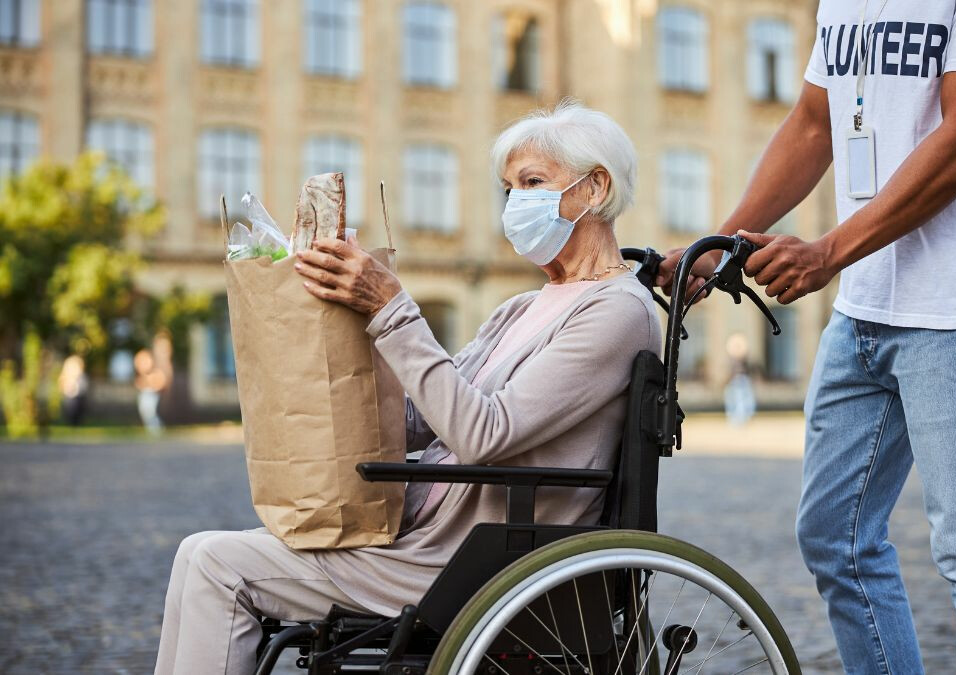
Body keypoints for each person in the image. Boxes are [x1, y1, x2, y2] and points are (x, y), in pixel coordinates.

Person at [154, 101, 660, 675]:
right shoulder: (522, 306)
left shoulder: (617, 312)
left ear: (595, 188)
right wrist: (339, 331)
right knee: (199, 551)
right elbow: (422, 418)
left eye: (533, 182)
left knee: (216, 564)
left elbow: (482, 433)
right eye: (510, 188)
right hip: (430, 538)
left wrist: (392, 309)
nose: (517, 202)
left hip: (480, 559)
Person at [658, 2, 956, 673]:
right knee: (834, 535)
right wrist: (715, 247)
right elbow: (815, 123)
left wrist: (828, 252)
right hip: (864, 308)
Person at [134, 349, 167, 435]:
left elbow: (160, 383)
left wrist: (152, 385)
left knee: (150, 413)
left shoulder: (155, 373)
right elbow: (138, 384)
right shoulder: (142, 376)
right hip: (145, 395)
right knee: (145, 412)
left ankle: (156, 429)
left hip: (151, 395)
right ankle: (152, 429)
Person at [58, 354, 89, 427]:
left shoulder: (82, 376)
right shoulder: (67, 376)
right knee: (71, 410)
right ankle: (71, 423)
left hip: (79, 396)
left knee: (78, 411)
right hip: (70, 396)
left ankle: (77, 423)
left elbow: (84, 386)